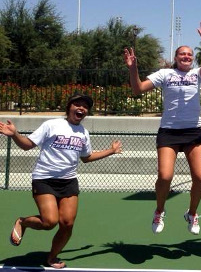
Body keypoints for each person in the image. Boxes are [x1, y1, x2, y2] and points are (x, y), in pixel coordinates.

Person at [2, 94, 122, 269]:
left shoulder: (83, 133)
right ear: (69, 107)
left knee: (67, 223)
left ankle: (51, 258)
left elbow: (86, 157)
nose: (81, 108)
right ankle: (23, 222)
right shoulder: (52, 125)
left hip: (68, 182)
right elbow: (28, 145)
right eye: (77, 104)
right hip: (44, 179)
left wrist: (110, 151)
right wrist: (14, 134)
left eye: (85, 106)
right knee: (49, 222)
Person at [123, 20, 201, 235]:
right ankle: (159, 210)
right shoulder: (165, 74)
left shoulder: (196, 75)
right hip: (169, 132)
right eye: (182, 54)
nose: (186, 57)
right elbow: (138, 89)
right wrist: (133, 68)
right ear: (175, 58)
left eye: (189, 54)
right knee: (165, 177)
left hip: (193, 132)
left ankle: (192, 213)